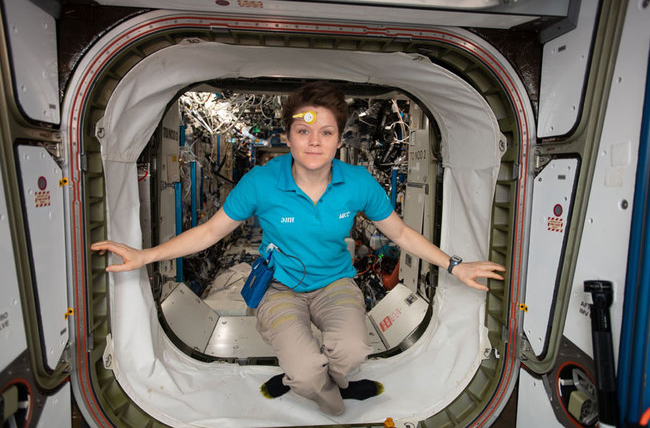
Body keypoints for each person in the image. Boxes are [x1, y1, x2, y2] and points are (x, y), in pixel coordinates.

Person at [91, 81, 505, 416]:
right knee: (309, 373)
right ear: (287, 135)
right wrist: (145, 256)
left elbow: (401, 234)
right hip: (280, 287)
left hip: (336, 283)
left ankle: (319, 378)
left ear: (339, 139)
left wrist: (455, 265)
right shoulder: (261, 182)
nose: (313, 142)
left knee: (354, 349)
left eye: (325, 132)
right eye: (303, 131)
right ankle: (314, 385)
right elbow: (209, 233)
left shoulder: (358, 183)